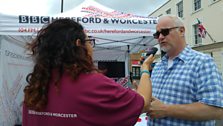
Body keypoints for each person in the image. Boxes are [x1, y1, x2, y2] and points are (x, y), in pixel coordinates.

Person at [22, 18, 155, 126]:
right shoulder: (94, 84)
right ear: (79, 44)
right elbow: (143, 102)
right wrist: (145, 68)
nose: (92, 48)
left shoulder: (36, 87)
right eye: (89, 42)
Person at [147, 15, 223, 126]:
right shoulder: (158, 66)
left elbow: (216, 110)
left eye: (165, 31)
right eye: (157, 34)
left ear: (181, 31)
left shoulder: (202, 62)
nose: (160, 37)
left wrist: (167, 110)